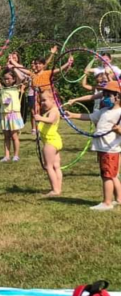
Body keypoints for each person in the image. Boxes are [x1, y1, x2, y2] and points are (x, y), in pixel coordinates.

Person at [66, 80, 121, 210]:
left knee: (107, 176)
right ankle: (118, 199)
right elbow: (89, 116)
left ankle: (107, 202)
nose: (105, 98)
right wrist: (72, 115)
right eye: (104, 94)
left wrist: (118, 130)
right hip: (102, 148)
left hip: (110, 149)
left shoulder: (119, 113)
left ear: (118, 96)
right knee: (112, 175)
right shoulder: (104, 110)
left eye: (108, 95)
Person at [34, 92, 63, 196]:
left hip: (50, 141)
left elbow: (50, 120)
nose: (42, 103)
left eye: (44, 100)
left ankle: (55, 190)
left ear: (53, 100)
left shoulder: (53, 111)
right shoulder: (52, 111)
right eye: (41, 101)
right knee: (56, 166)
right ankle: (58, 188)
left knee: (49, 166)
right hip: (54, 140)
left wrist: (40, 118)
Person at [0, 66, 24, 162]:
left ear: (13, 79)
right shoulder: (2, 89)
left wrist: (13, 67)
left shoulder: (16, 88)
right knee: (6, 136)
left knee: (14, 136)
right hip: (4, 115)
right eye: (5, 78)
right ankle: (6, 156)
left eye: (8, 78)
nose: (6, 81)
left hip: (13, 114)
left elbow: (21, 78)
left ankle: (16, 155)